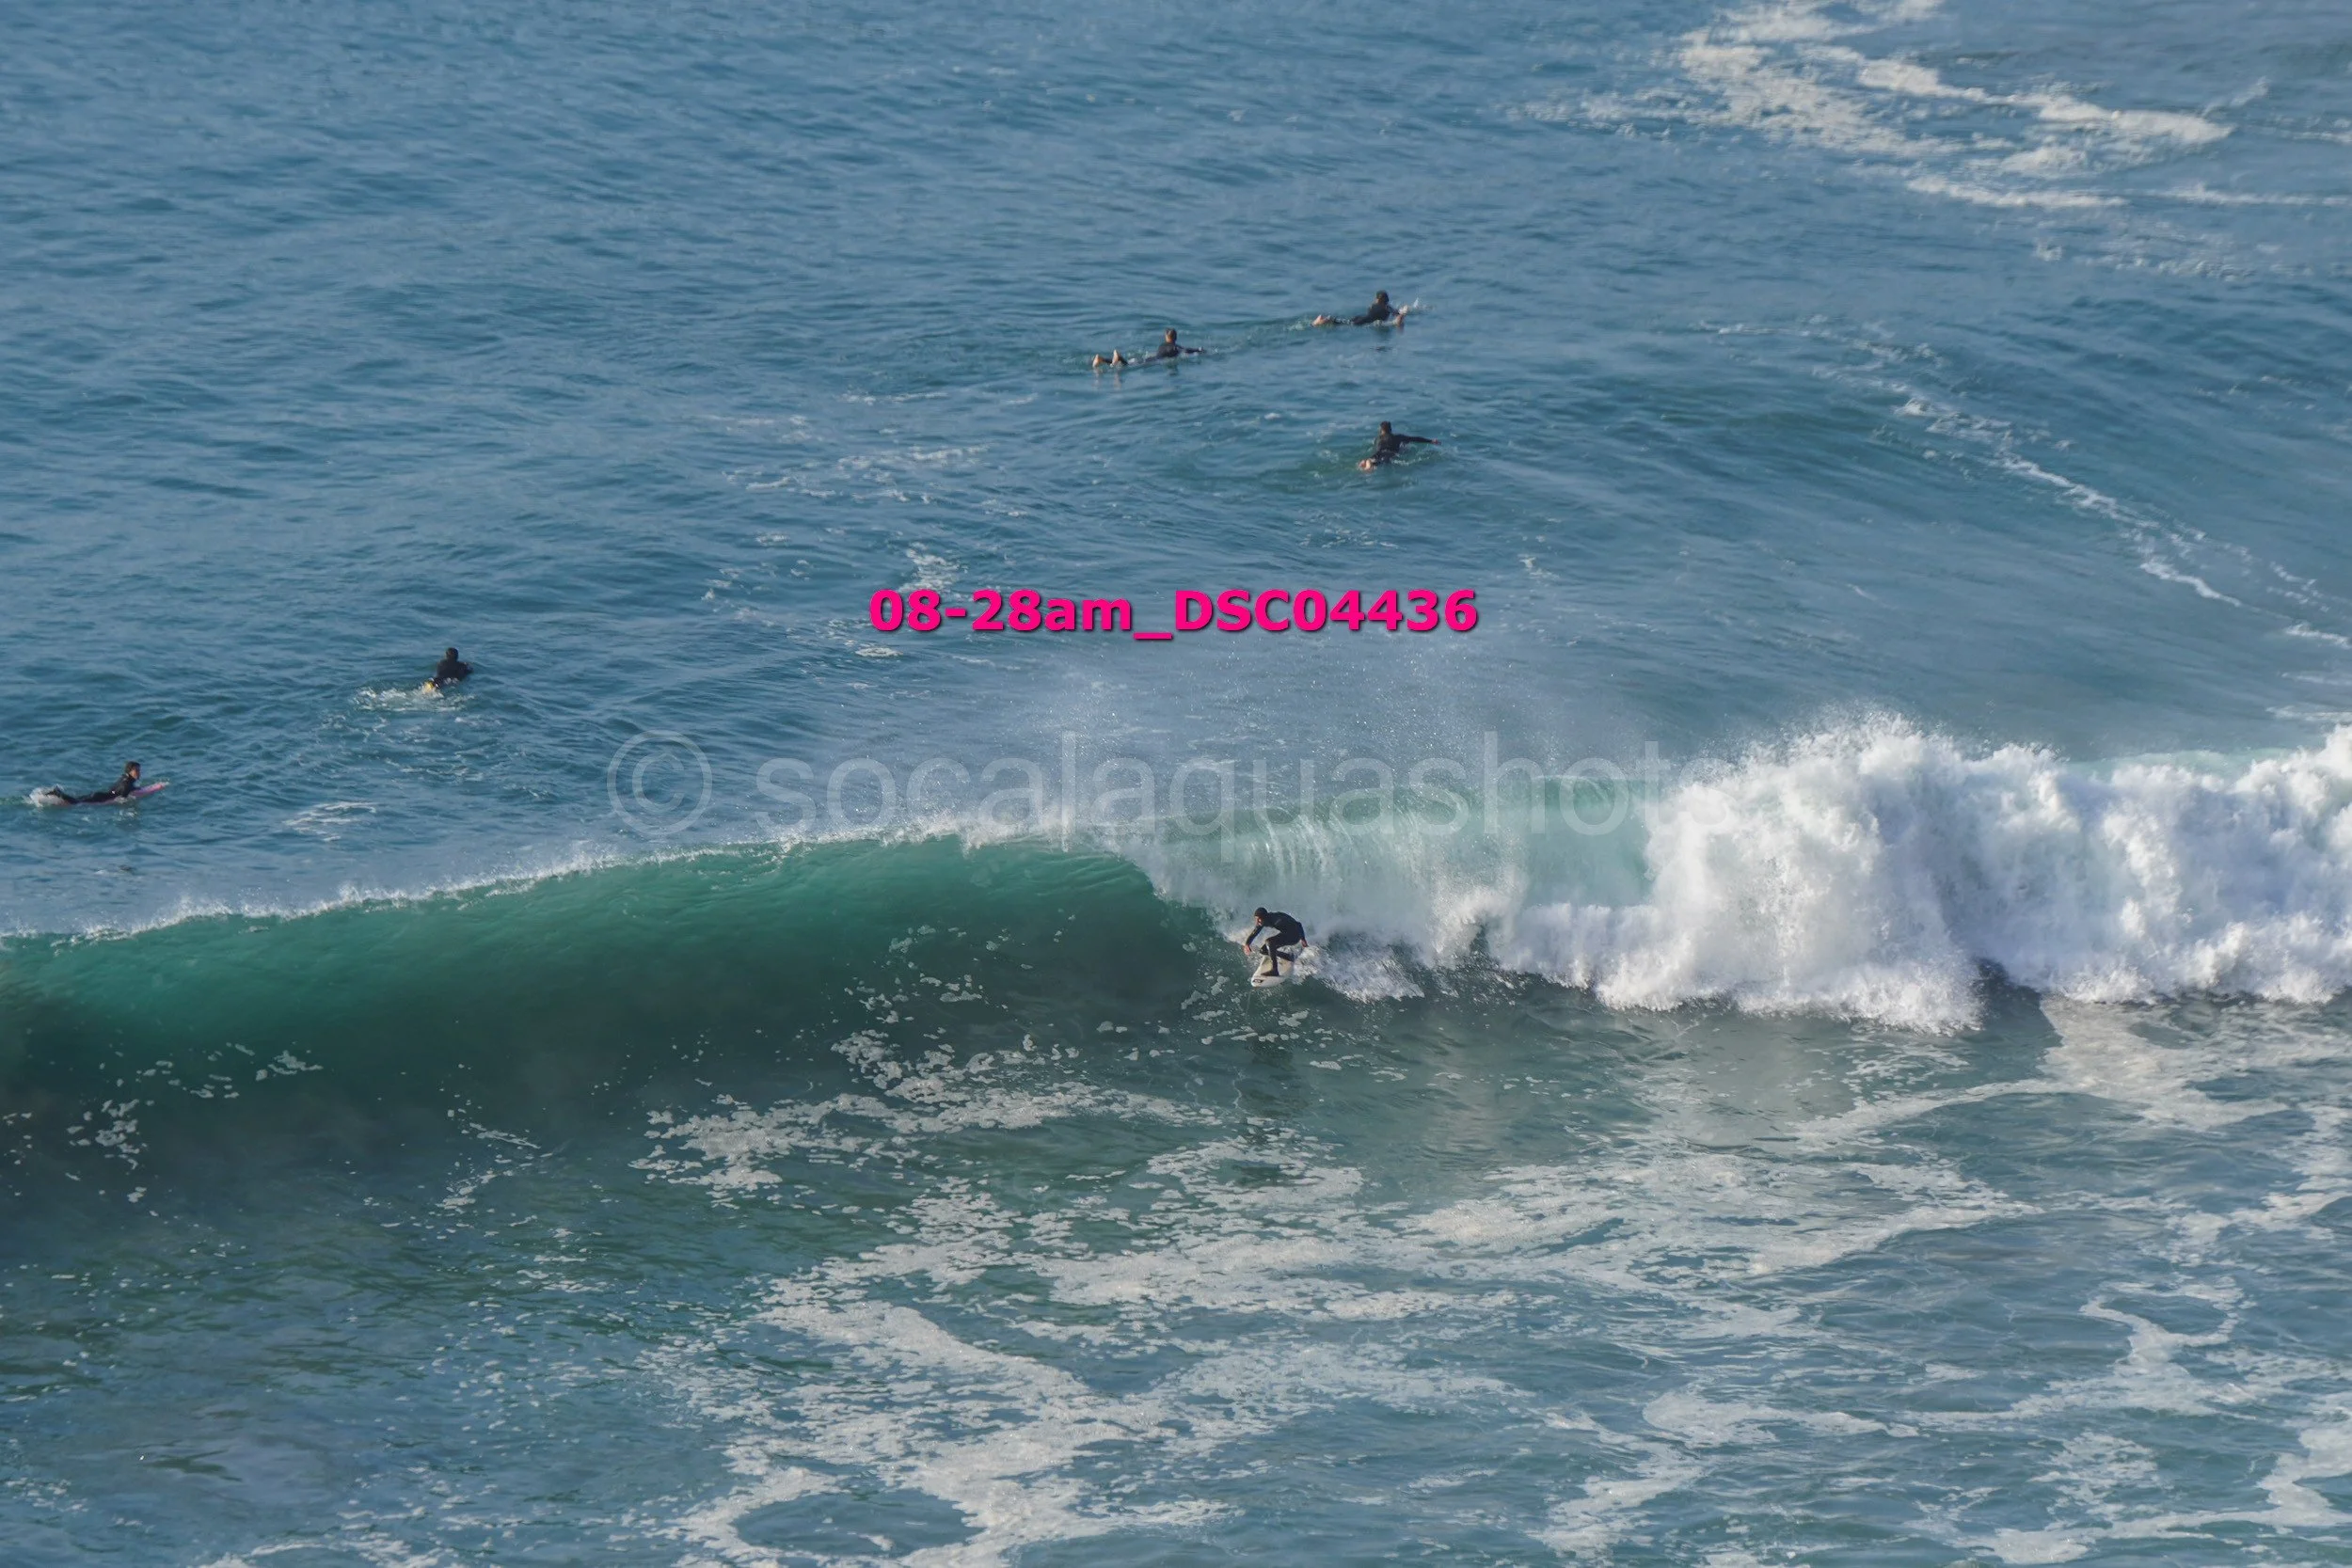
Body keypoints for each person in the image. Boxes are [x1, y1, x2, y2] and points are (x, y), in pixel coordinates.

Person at [1244, 908, 1308, 978]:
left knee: (1270, 942)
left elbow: (1298, 924)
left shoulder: (1278, 920)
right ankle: (1288, 956)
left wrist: (1303, 939)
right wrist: (1247, 944)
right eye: (1256, 919)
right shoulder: (1264, 920)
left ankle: (1274, 970)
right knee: (1263, 951)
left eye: (1259, 919)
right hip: (1286, 933)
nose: (1257, 922)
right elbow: (1255, 931)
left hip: (1294, 936)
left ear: (1265, 917)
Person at [50, 761, 141, 805]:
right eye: (136, 770)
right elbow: (122, 799)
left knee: (77, 800)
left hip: (99, 795)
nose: (138, 772)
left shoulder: (123, 778)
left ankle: (58, 793)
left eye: (139, 770)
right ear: (129, 771)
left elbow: (116, 789)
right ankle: (58, 793)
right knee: (76, 803)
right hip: (100, 798)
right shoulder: (128, 784)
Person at [1359, 420, 1438, 470]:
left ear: (1381, 430)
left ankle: (1366, 462)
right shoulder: (1398, 437)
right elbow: (1415, 439)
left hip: (1377, 454)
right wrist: (1430, 441)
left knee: (1372, 459)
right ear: (1391, 429)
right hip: (1389, 454)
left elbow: (1376, 448)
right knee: (1383, 462)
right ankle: (1370, 465)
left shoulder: (1377, 439)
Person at [1314, 290, 1406, 327]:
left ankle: (1323, 320)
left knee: (1343, 322)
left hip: (1361, 317)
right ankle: (1322, 321)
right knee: (1342, 323)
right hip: (1363, 321)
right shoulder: (1386, 308)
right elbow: (1398, 315)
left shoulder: (1373, 305)